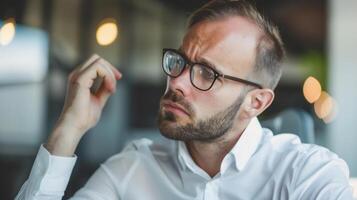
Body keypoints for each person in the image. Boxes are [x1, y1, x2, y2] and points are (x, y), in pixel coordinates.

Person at [16, 0, 355, 199]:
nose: (176, 80)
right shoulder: (132, 169)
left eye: (207, 72)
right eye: (179, 62)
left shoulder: (307, 175)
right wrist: (68, 130)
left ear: (257, 102)